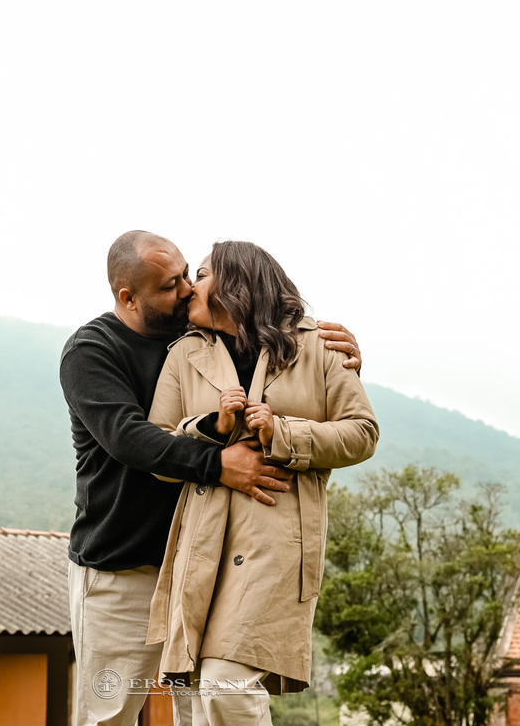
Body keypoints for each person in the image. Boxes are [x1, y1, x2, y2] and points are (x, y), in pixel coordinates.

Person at [61, 230, 363, 726]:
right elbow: (130, 438)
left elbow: (287, 367)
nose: (184, 289)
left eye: (187, 275)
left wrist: (337, 360)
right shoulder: (92, 351)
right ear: (128, 297)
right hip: (123, 564)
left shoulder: (201, 336)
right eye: (170, 285)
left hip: (203, 565)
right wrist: (221, 464)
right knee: (108, 714)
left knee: (201, 708)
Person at [146, 240, 379, 726]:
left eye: (204, 274)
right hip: (204, 539)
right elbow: (160, 451)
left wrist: (283, 432)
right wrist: (212, 428)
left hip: (277, 539)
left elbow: (362, 433)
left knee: (225, 685)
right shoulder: (184, 353)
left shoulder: (321, 344)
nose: (191, 288)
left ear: (237, 284)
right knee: (206, 697)